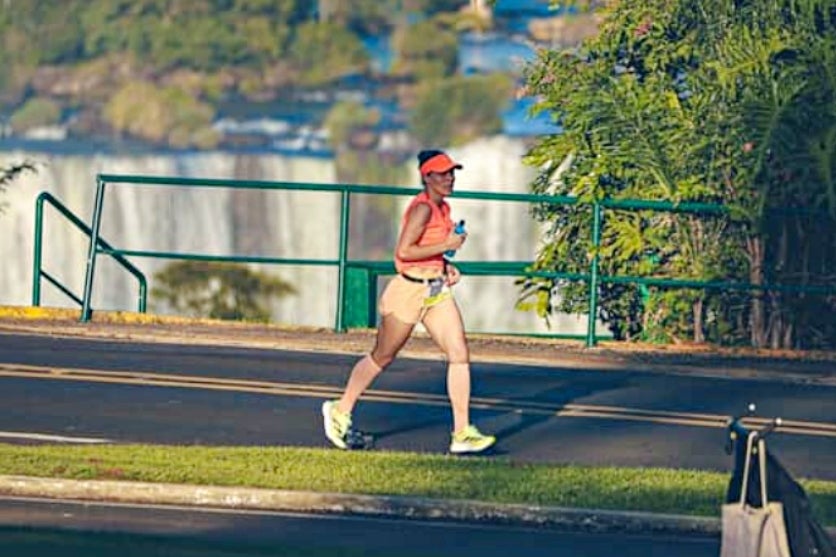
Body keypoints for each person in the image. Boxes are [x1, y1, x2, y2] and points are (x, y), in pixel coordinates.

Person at [322, 149, 496, 454]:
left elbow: (429, 251)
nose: (450, 178)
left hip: (436, 290)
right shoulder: (423, 210)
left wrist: (445, 264)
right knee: (383, 356)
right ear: (426, 177)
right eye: (442, 173)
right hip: (409, 291)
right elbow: (404, 251)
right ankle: (340, 409)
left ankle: (462, 432)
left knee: (459, 353)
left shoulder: (444, 209)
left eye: (452, 172)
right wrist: (448, 245)